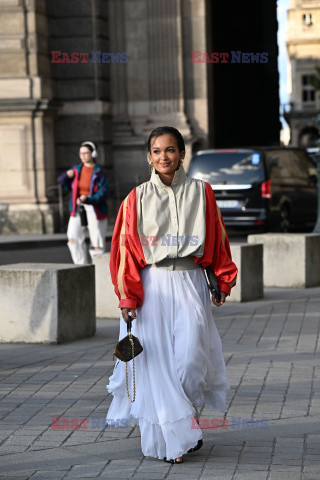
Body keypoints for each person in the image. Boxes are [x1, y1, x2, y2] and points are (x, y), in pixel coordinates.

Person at [106, 126, 238, 463]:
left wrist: (223, 280)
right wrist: (127, 298)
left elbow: (218, 240)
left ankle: (185, 422)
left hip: (191, 281)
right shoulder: (134, 198)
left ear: (182, 154)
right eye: (156, 151)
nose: (163, 157)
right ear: (148, 156)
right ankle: (175, 440)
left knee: (191, 360)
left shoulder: (202, 192)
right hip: (152, 286)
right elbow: (124, 251)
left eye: (170, 150)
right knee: (158, 367)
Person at [59, 141, 110, 265]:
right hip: (78, 208)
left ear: (93, 153)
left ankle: (98, 270)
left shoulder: (99, 173)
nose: (82, 155)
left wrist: (87, 198)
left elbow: (103, 194)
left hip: (95, 208)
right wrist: (66, 176)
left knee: (97, 242)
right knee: (72, 237)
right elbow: (63, 183)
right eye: (80, 153)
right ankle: (81, 266)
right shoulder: (76, 170)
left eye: (85, 153)